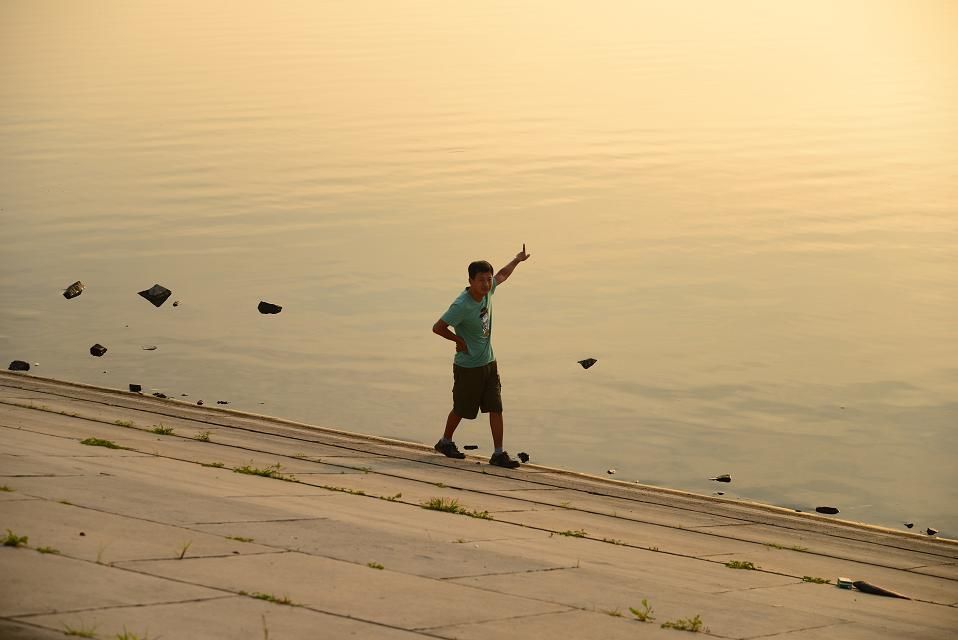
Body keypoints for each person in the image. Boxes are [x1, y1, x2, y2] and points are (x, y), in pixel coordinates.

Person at [432, 245, 531, 468]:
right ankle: (445, 442)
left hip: (489, 363)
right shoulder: (462, 305)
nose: (487, 284)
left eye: (488, 280)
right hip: (468, 367)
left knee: (496, 407)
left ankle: (498, 453)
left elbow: (502, 275)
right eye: (481, 280)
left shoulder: (488, 291)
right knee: (461, 408)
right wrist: (459, 341)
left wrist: (517, 260)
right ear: (470, 280)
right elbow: (438, 327)